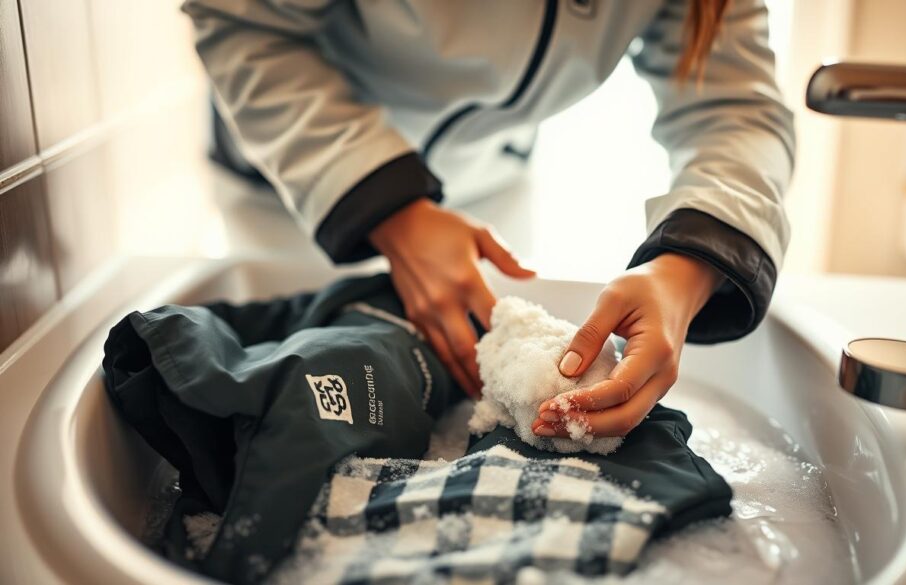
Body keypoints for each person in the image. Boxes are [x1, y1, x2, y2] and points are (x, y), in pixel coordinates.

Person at [181, 0, 794, 441]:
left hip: (488, 188)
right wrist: (385, 207)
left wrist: (686, 269)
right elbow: (242, 21)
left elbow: (734, 108)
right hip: (310, 181)